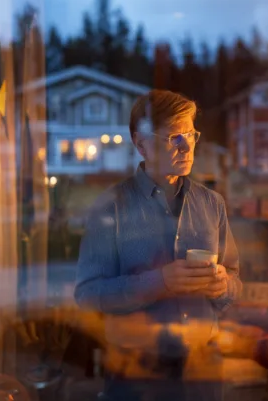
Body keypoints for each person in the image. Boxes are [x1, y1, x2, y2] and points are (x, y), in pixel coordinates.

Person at [74, 89, 242, 400]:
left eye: (191, 134)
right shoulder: (110, 207)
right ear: (141, 144)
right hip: (137, 375)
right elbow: (87, 295)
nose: (186, 145)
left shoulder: (212, 204)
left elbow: (234, 283)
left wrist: (222, 285)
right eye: (173, 137)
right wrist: (160, 282)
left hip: (202, 372)